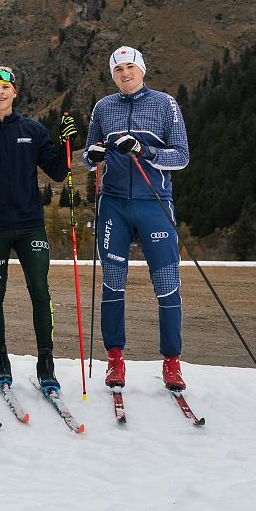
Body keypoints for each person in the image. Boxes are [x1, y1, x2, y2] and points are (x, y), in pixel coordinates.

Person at [84, 46, 191, 391]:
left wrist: (147, 151)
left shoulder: (165, 104)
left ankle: (172, 363)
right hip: (113, 204)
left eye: (130, 67)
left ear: (142, 69)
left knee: (166, 283)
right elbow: (88, 157)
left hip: (154, 204)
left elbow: (182, 157)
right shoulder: (103, 107)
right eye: (118, 70)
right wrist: (93, 155)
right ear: (112, 75)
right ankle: (115, 359)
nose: (125, 74)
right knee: (113, 281)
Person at [0, 66, 75, 392]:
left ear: (15, 92)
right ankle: (0, 358)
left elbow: (58, 172)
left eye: (5, 87)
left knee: (40, 293)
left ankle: (46, 362)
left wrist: (66, 143)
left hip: (30, 227)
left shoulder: (32, 129)